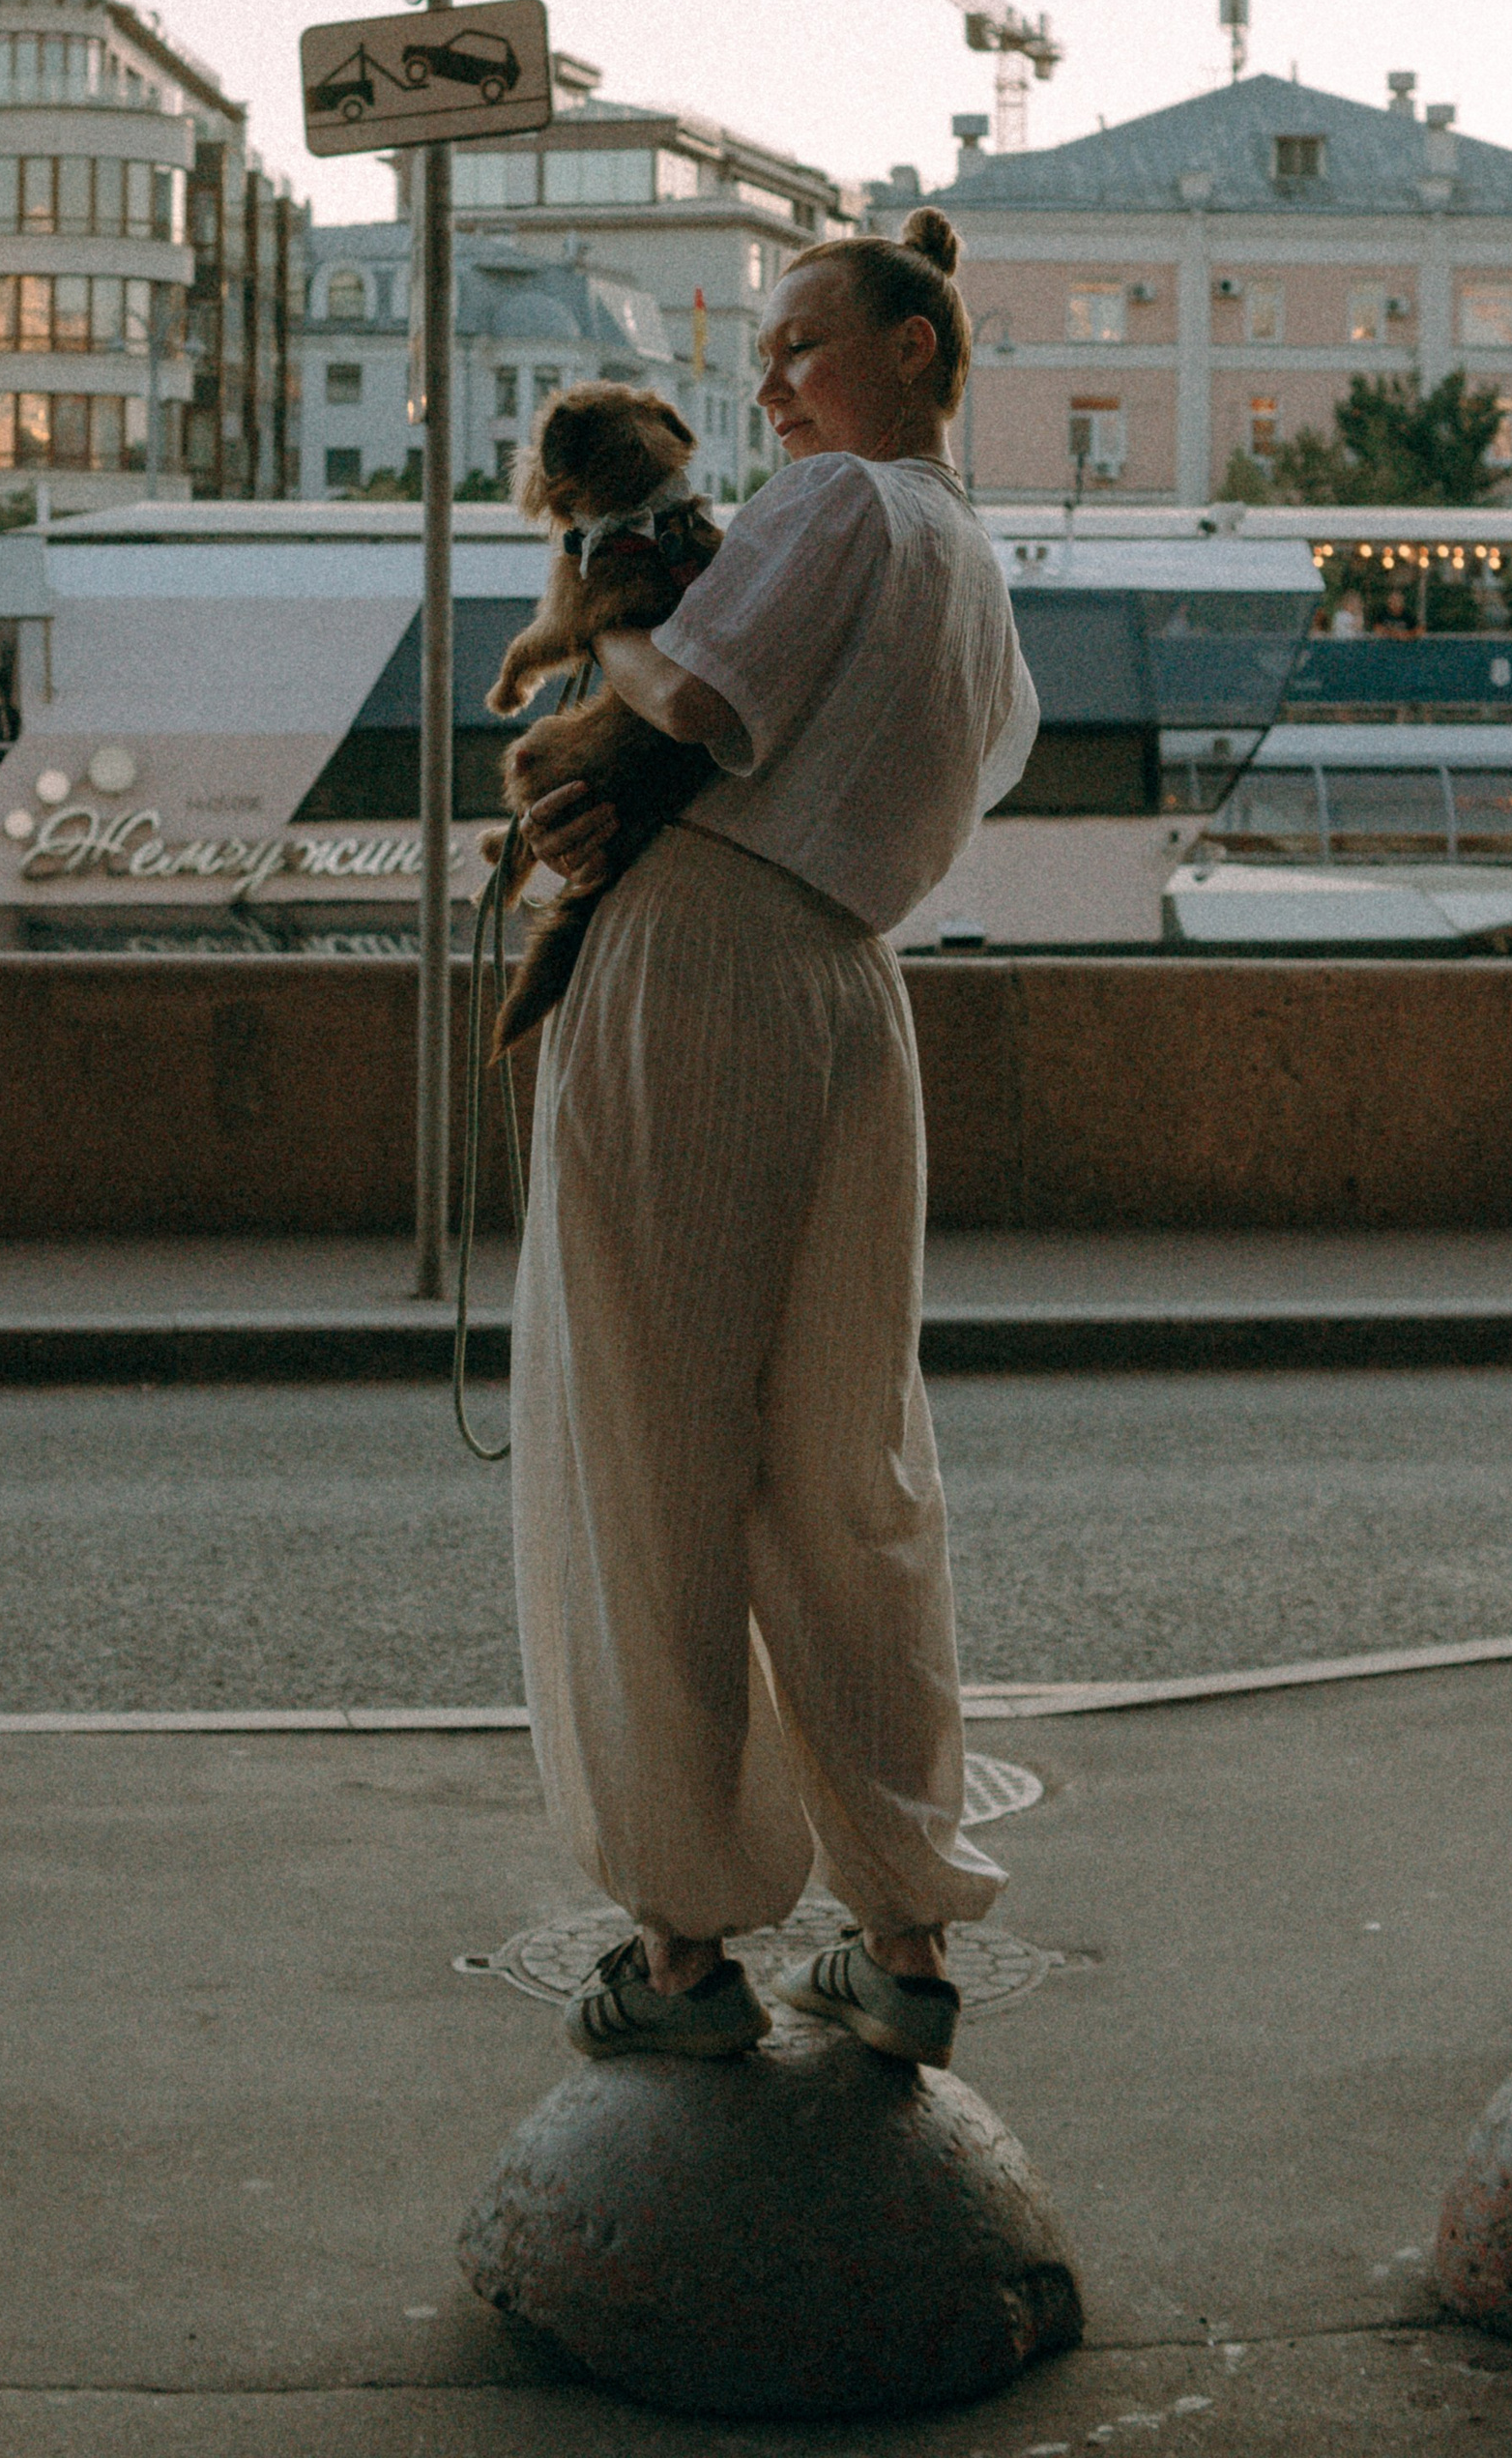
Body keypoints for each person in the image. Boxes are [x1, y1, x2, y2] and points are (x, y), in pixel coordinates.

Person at [512, 209, 1037, 2073]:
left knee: (655, 1442)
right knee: (852, 1462)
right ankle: (903, 1935)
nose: (771, 385)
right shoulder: (976, 563)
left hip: (704, 965)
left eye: (802, 345)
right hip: (850, 988)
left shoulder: (833, 507)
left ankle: (679, 1954)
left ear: (914, 348)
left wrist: (631, 626)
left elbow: (700, 702)